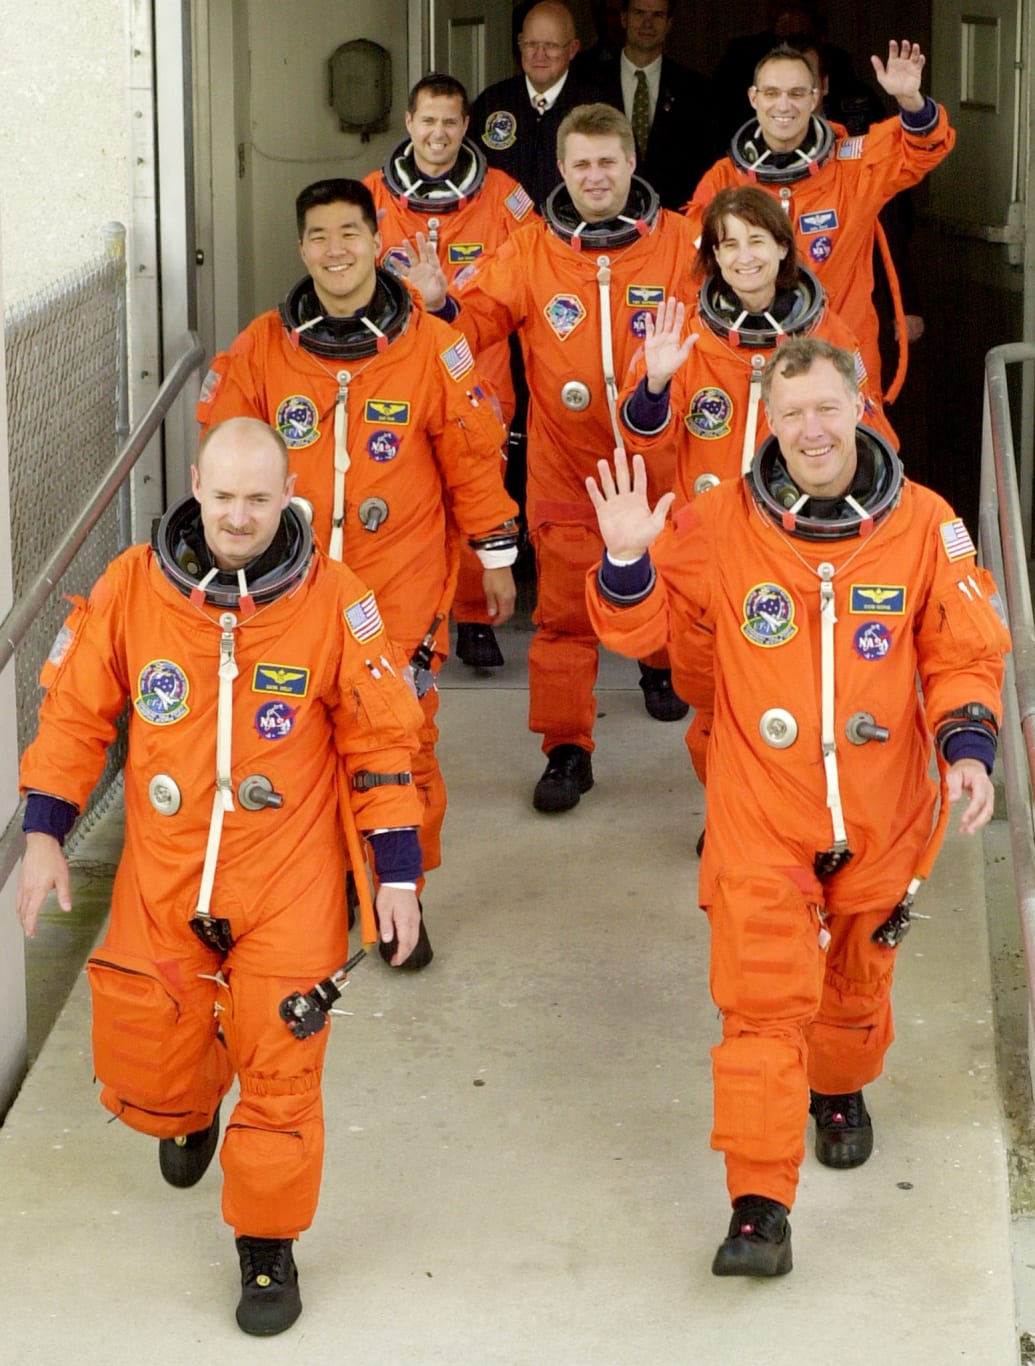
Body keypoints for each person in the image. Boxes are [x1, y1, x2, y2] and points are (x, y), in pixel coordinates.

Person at [585, 337, 1009, 1276]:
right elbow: (644, 628)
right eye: (790, 414)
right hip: (761, 815)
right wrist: (623, 561)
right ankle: (757, 1206)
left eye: (826, 409)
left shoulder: (926, 524)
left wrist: (967, 749)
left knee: (853, 994)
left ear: (859, 408)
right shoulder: (722, 522)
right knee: (759, 1009)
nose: (810, 431)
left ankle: (841, 1089)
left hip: (883, 812)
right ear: (765, 424)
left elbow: (962, 652)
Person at [15, 418, 427, 1334]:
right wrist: (44, 832)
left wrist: (397, 873)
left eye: (258, 498)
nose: (237, 516)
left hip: (288, 882)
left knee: (281, 1070)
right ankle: (189, 1104)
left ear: (287, 497)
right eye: (223, 495)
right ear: (195, 484)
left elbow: (382, 744)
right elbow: (77, 714)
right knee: (148, 1062)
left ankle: (266, 1247)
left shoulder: (331, 598)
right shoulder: (132, 587)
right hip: (165, 876)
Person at [197, 180, 519, 951]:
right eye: (317, 235)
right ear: (301, 247)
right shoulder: (264, 345)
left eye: (349, 232)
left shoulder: (432, 344)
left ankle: (401, 892)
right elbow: (224, 457)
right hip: (289, 590)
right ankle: (329, 876)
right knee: (295, 742)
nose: (334, 250)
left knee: (401, 743)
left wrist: (496, 556)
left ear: (379, 241)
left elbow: (472, 460)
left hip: (397, 587)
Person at [403, 103, 700, 812]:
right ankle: (566, 746)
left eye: (608, 161)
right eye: (581, 164)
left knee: (678, 596)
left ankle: (660, 665)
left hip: (662, 466)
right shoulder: (531, 248)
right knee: (563, 618)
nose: (595, 176)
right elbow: (479, 322)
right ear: (561, 170)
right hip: (569, 468)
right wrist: (443, 304)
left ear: (632, 164)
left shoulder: (684, 244)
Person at [364, 72, 535, 672]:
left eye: (450, 122)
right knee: (407, 492)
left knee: (475, 490)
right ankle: (410, 619)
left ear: (467, 127)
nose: (438, 133)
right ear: (409, 124)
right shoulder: (372, 200)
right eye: (427, 121)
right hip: (394, 372)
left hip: (479, 372)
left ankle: (472, 619)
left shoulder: (506, 198)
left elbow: (531, 280)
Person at [686, 40, 954, 391]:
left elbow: (919, 149)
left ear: (815, 98)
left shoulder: (851, 166)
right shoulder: (724, 180)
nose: (784, 105)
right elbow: (696, 271)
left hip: (841, 358)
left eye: (797, 93)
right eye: (772, 93)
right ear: (754, 98)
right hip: (751, 362)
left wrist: (909, 101)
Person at [468, 0, 604, 211]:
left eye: (550, 45)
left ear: (572, 49)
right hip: (504, 234)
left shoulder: (597, 107)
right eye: (531, 44)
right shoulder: (492, 102)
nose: (539, 54)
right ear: (520, 43)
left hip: (571, 234)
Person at [598, 0, 717, 212]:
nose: (647, 23)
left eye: (657, 15)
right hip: (604, 219)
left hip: (674, 220)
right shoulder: (591, 83)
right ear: (624, 18)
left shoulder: (696, 90)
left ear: (670, 23)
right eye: (639, 13)